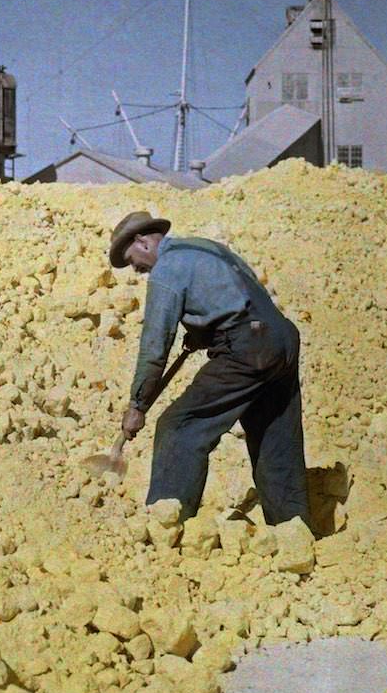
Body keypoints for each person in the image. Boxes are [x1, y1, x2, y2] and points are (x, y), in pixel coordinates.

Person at [108, 210, 311, 525]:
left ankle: (167, 526)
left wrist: (137, 404)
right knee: (275, 438)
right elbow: (240, 294)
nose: (138, 271)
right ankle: (293, 530)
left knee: (178, 427)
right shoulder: (205, 248)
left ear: (143, 241)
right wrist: (204, 333)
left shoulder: (167, 269)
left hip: (248, 347)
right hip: (280, 338)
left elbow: (154, 346)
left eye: (135, 263)